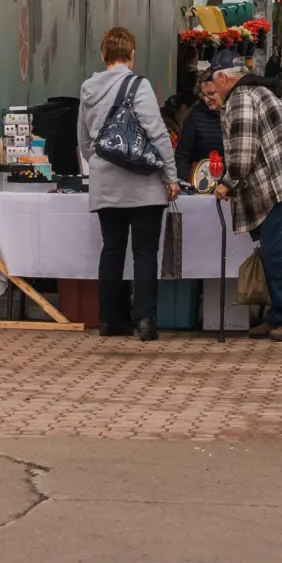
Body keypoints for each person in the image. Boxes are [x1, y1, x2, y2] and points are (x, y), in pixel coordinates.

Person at [209, 50, 282, 341]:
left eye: (213, 82)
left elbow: (243, 150)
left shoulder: (241, 97)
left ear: (223, 78)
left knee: (281, 252)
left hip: (281, 186)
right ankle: (281, 316)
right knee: (274, 253)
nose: (213, 89)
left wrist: (227, 183)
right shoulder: (254, 92)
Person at [78, 27, 179, 341]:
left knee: (112, 249)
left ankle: (109, 320)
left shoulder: (88, 89)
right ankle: (145, 322)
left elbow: (84, 140)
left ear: (103, 54)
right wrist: (171, 176)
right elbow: (157, 132)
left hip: (106, 184)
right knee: (144, 252)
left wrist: (101, 165)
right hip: (143, 185)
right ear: (132, 54)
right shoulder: (139, 85)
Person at [173, 73, 226, 184]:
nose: (206, 99)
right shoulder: (195, 116)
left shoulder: (237, 112)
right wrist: (186, 182)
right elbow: (182, 154)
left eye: (211, 94)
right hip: (205, 182)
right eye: (203, 95)